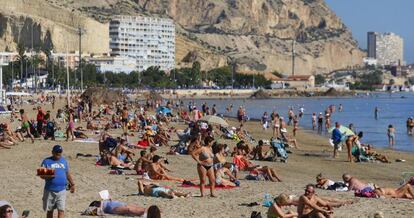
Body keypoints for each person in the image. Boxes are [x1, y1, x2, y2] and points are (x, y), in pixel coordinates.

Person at [40, 145, 75, 218]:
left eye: (60, 152)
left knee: (61, 210)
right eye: (57, 152)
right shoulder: (46, 161)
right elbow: (41, 175)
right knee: (50, 211)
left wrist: (72, 184)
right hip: (50, 190)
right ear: (52, 152)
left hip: (62, 190)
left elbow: (67, 173)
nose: (58, 154)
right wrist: (49, 175)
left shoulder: (64, 161)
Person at [87, 200, 160, 217]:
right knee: (129, 209)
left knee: (131, 208)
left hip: (115, 206)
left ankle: (145, 212)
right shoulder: (103, 204)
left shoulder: (104, 202)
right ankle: (144, 213)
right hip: (115, 207)